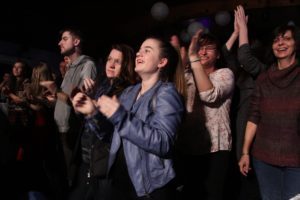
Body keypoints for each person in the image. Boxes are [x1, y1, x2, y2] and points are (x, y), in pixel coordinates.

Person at [72, 36, 185, 200]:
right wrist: (92, 113)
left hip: (147, 188)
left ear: (162, 62)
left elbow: (163, 142)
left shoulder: (166, 92)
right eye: (139, 50)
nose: (139, 53)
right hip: (118, 182)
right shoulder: (129, 93)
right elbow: (111, 136)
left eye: (147, 51)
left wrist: (120, 116)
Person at [238, 24, 300, 200]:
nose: (280, 43)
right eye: (276, 40)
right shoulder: (264, 79)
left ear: (296, 44)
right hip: (264, 159)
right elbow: (254, 116)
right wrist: (245, 152)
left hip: (296, 161)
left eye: (286, 38)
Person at [68, 43, 137, 200]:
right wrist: (82, 103)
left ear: (126, 65)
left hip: (104, 164)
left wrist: (93, 111)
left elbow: (113, 131)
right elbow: (87, 123)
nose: (111, 64)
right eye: (109, 59)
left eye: (117, 62)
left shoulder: (128, 92)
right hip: (88, 158)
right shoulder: (102, 86)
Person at [41, 27, 98, 187]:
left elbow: (80, 102)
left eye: (64, 38)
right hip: (60, 129)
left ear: (76, 41)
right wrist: (53, 99)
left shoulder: (87, 65)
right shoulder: (70, 67)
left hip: (73, 131)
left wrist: (55, 90)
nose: (60, 42)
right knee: (64, 175)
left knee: (73, 179)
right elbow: (64, 98)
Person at [183, 30, 235, 200]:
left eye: (209, 48)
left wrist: (194, 59)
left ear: (218, 54)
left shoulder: (224, 74)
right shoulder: (188, 75)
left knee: (212, 195)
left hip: (215, 148)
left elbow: (208, 95)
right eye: (200, 48)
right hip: (189, 146)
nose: (203, 52)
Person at [223, 5, 266, 199]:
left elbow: (244, 57)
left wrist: (244, 31)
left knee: (251, 176)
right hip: (236, 123)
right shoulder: (239, 72)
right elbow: (225, 52)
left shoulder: (263, 72)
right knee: (240, 174)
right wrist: (236, 32)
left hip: (252, 127)